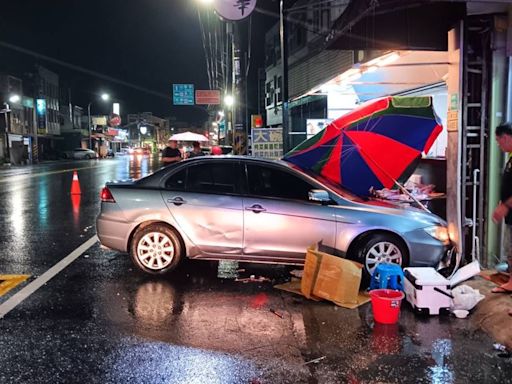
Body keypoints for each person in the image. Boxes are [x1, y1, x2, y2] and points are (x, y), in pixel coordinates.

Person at [491, 122, 512, 304]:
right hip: (510, 213)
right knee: (510, 249)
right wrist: (501, 202)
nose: (499, 145)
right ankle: (511, 282)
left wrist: (505, 206)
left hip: (510, 209)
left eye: (499, 141)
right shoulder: (511, 157)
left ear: (506, 137)